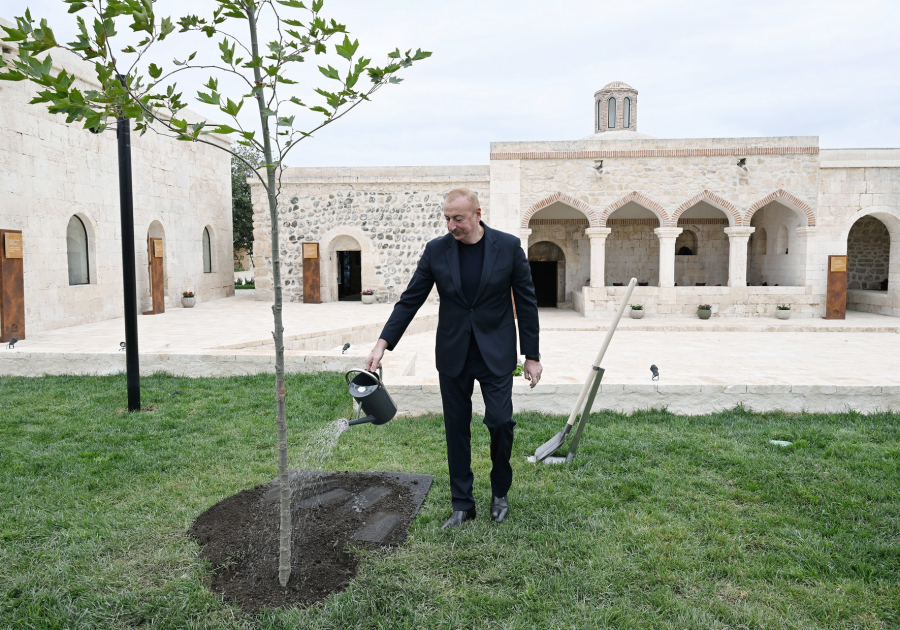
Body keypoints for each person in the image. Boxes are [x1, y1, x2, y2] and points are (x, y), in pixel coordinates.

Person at [366, 188, 542, 529]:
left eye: (458, 219)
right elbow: (410, 299)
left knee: (500, 423)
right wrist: (382, 344)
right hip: (453, 354)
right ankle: (462, 504)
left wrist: (531, 356)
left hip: (496, 352)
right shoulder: (436, 251)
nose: (451, 226)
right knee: (456, 429)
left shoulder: (507, 247)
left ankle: (500, 492)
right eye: (447, 218)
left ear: (477, 214)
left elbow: (528, 302)